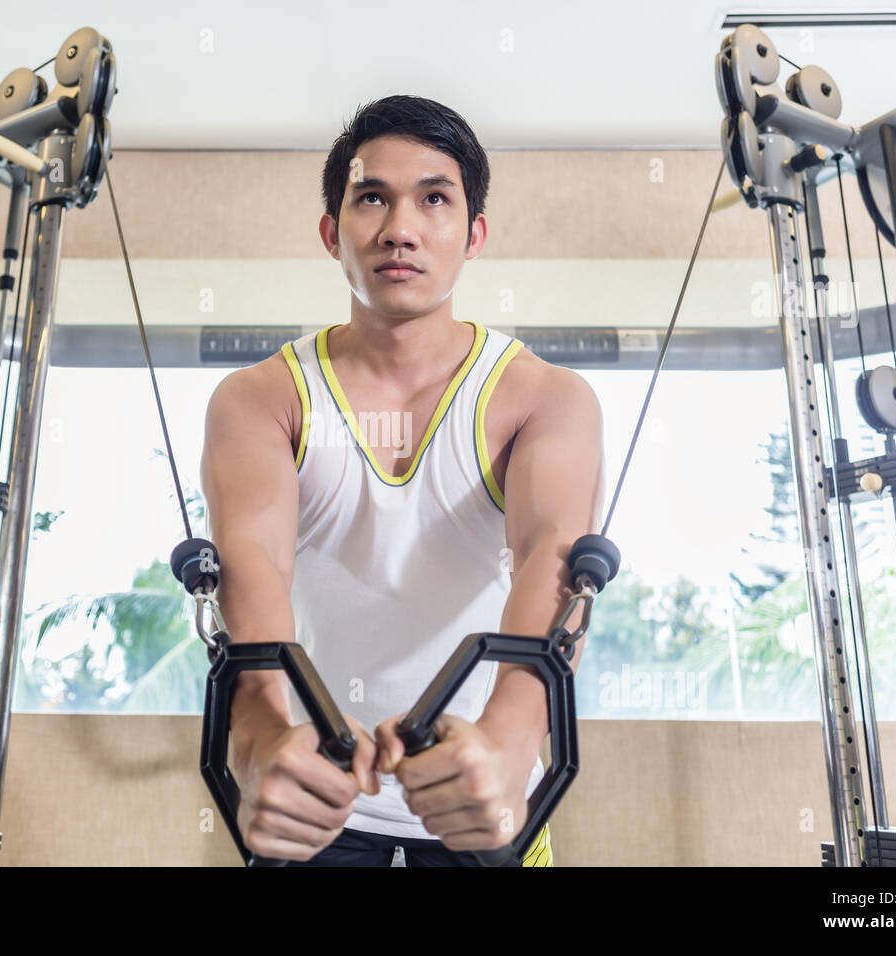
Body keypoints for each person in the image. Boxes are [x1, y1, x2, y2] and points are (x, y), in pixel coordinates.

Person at [200, 94, 604, 866]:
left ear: (473, 234)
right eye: (371, 197)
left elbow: (552, 565)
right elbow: (251, 592)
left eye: (434, 198)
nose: (400, 229)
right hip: (317, 798)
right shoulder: (259, 402)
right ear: (332, 232)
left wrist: (508, 751)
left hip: (482, 796)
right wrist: (257, 751)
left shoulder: (546, 400)